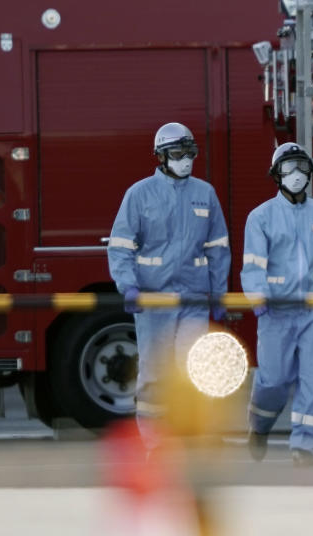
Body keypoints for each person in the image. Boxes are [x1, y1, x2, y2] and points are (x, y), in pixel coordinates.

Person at [107, 122, 230, 442]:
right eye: (178, 153)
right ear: (161, 156)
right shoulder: (140, 194)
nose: (186, 160)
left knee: (194, 367)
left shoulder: (205, 194)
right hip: (153, 299)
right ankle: (154, 442)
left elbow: (218, 247)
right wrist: (128, 286)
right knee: (154, 372)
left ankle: (192, 435)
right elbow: (121, 245)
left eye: (190, 153)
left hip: (194, 298)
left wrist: (219, 293)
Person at [241, 142, 313, 467]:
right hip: (275, 310)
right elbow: (252, 265)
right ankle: (259, 425)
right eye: (288, 168)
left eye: (301, 167)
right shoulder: (261, 217)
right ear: (277, 176)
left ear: (311, 172)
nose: (296, 175)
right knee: (273, 379)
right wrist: (258, 297)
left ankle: (304, 445)